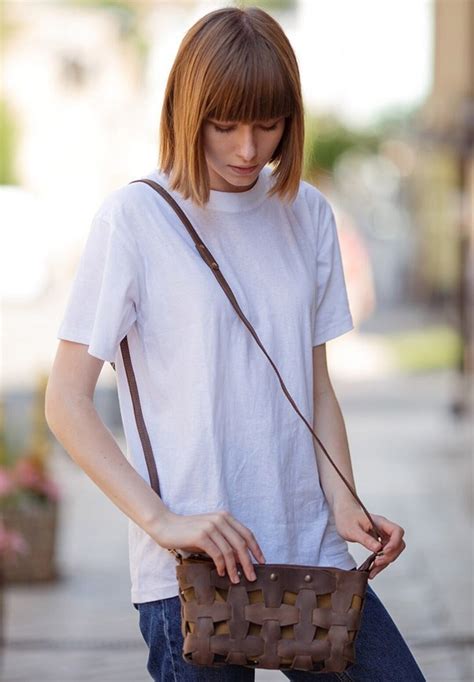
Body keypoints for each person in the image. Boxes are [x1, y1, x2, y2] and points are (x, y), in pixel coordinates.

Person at [45, 6, 426, 681]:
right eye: (224, 124)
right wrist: (162, 522)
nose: (248, 148)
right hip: (192, 575)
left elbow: (315, 386)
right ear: (187, 113)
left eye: (267, 123)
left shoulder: (306, 213)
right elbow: (66, 404)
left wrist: (346, 505)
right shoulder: (135, 220)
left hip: (310, 561)